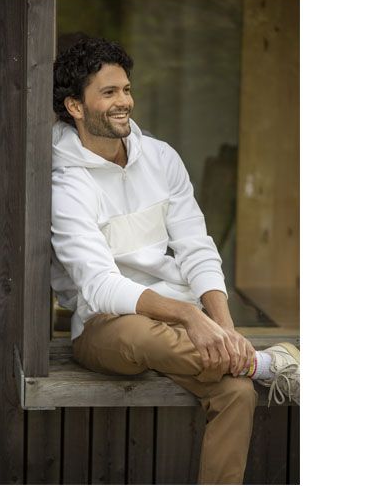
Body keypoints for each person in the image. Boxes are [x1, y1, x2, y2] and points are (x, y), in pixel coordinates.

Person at [50, 37, 299, 484]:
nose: (124, 101)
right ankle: (261, 366)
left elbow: (196, 246)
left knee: (237, 394)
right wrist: (189, 315)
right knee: (136, 332)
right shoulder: (66, 185)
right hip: (105, 325)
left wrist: (223, 326)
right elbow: (100, 286)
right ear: (75, 106)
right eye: (109, 92)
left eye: (126, 89)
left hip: (180, 324)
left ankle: (243, 368)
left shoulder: (161, 158)